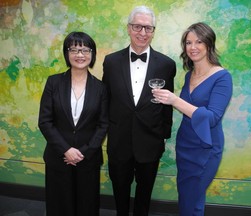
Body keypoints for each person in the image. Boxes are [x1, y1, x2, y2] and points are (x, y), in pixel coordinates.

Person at [102, 5, 176, 216]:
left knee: (145, 192)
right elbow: (106, 99)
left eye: (148, 28)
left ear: (153, 31)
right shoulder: (111, 61)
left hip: (150, 141)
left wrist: (163, 136)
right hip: (119, 140)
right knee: (120, 190)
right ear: (128, 28)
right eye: (138, 27)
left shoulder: (167, 64)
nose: (143, 33)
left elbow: (167, 105)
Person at [152, 22, 233, 216]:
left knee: (193, 197)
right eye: (188, 42)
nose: (193, 47)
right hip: (185, 145)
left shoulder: (222, 77)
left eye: (199, 42)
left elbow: (212, 117)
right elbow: (191, 111)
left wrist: (174, 100)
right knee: (187, 197)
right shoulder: (190, 76)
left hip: (205, 149)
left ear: (209, 44)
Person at [38, 31, 109, 216]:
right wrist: (66, 150)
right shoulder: (53, 82)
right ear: (67, 53)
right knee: (59, 204)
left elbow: (103, 125)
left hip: (88, 158)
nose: (80, 55)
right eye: (74, 50)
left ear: (92, 54)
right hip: (58, 157)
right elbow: (45, 121)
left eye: (85, 50)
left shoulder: (101, 88)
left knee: (87, 205)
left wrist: (84, 152)